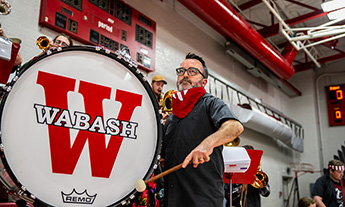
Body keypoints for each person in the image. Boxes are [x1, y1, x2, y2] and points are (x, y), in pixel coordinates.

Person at [161, 52, 244, 207]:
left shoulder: (211, 104)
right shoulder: (172, 117)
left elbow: (235, 126)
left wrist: (207, 144)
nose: (185, 75)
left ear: (204, 81)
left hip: (203, 200)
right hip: (172, 199)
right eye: (181, 71)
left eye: (192, 71)